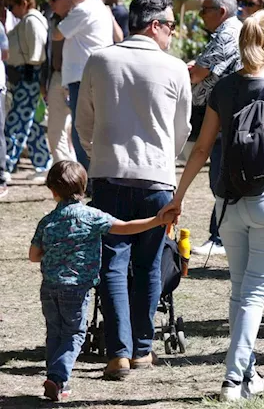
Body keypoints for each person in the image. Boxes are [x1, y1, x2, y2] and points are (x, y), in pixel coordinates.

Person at [164, 9, 264, 401]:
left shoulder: (223, 89)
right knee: (254, 294)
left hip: (228, 202)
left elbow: (203, 147)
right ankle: (232, 378)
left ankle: (248, 373)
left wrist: (179, 195)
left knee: (240, 292)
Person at [77, 0, 191, 380]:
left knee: (112, 265)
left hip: (108, 174)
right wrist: (162, 158)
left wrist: (98, 153)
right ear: (155, 25)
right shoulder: (175, 67)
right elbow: (182, 130)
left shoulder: (100, 59)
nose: (173, 33)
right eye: (171, 26)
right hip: (156, 178)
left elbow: (83, 123)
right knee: (149, 265)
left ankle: (118, 352)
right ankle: (142, 348)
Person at [30, 160, 174, 402]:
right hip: (76, 288)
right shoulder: (93, 216)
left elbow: (34, 255)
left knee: (54, 332)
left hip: (49, 288)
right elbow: (126, 227)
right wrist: (157, 221)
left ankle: (55, 379)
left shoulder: (47, 221)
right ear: (85, 187)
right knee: (74, 334)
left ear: (52, 190)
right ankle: (57, 376)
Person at [186, 0, 244, 258]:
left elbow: (200, 73)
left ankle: (220, 237)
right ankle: (222, 234)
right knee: (222, 176)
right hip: (224, 111)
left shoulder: (226, 33)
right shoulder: (233, 31)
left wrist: (192, 70)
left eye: (205, 9)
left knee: (221, 177)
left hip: (222, 115)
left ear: (221, 11)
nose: (200, 15)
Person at [53, 0, 116, 167]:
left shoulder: (83, 9)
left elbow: (56, 34)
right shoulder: (99, 7)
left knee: (81, 129)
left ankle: (88, 176)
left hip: (82, 77)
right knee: (93, 127)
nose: (69, 0)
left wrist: (61, 12)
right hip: (94, 75)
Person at [5, 0, 52, 177]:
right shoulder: (26, 20)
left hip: (28, 78)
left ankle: (5, 164)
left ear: (23, 3)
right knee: (30, 124)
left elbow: (37, 53)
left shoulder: (32, 20)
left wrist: (26, 71)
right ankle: (43, 162)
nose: (10, 11)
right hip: (24, 77)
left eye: (12, 6)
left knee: (15, 124)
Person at [43, 0, 76, 165]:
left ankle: (82, 176)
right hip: (56, 77)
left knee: (79, 131)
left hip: (78, 80)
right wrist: (44, 82)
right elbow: (47, 53)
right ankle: (63, 174)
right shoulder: (52, 19)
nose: (50, 3)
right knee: (55, 130)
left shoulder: (82, 17)